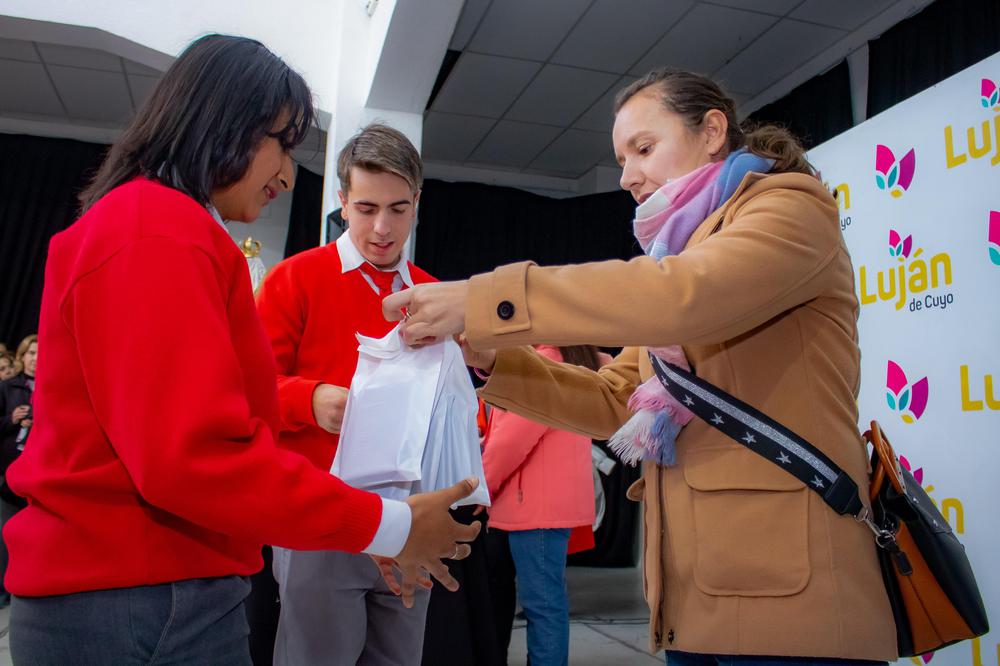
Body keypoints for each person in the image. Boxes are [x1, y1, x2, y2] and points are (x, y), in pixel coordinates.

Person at [384, 68, 896, 664]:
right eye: (621, 158)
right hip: (697, 594)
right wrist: (495, 362)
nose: (627, 176)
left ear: (711, 132)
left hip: (791, 595)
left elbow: (686, 296)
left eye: (644, 149)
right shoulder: (682, 252)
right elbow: (611, 398)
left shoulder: (789, 212)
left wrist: (483, 299)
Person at [4, 34, 479, 665]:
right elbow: (195, 454)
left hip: (176, 576)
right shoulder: (157, 230)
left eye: (398, 208)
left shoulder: (158, 226)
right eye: (281, 142)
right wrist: (387, 520)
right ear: (222, 125)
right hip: (144, 591)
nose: (286, 172)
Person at [255, 122, 438, 666]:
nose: (382, 227)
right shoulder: (295, 279)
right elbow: (246, 389)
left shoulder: (432, 293)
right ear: (341, 201)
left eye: (399, 209)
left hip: (409, 516)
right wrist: (309, 400)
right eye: (365, 208)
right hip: (319, 516)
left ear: (417, 202)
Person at [482, 344, 601, 666]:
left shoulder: (545, 362)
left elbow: (513, 439)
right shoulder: (571, 360)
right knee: (545, 604)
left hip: (534, 507)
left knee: (543, 605)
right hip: (542, 505)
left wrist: (481, 487)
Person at [0, 334, 37, 608]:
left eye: (39, 353)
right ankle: (4, 586)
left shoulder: (52, 386)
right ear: (22, 357)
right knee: (6, 532)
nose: (36, 359)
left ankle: (31, 581)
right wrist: (11, 420)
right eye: (30, 354)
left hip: (39, 472)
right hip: (9, 471)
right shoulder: (7, 387)